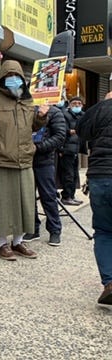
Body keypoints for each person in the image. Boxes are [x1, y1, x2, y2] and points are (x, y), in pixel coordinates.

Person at [0, 60, 48, 261]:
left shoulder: (27, 100)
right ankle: (1, 244)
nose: (13, 81)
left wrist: (41, 117)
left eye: (17, 77)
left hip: (24, 160)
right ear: (2, 79)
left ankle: (18, 241)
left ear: (23, 79)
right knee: (1, 204)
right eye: (9, 77)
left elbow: (32, 127)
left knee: (24, 203)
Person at [75, 91, 112, 308]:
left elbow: (81, 131)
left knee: (105, 231)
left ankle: (109, 283)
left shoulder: (100, 108)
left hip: (100, 178)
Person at [22, 106, 67, 246]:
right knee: (28, 197)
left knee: (48, 196)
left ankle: (55, 230)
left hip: (44, 160)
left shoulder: (55, 112)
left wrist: (38, 148)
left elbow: (59, 136)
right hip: (25, 160)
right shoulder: (25, 110)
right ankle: (33, 228)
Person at [58, 96, 85, 206]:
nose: (77, 105)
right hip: (66, 149)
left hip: (76, 149)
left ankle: (72, 196)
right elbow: (63, 131)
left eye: (79, 103)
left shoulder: (83, 115)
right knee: (68, 174)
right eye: (74, 103)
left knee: (74, 174)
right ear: (69, 104)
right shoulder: (64, 115)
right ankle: (66, 197)